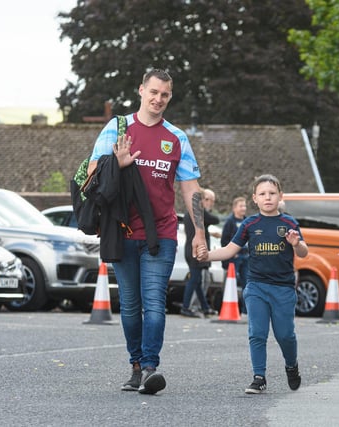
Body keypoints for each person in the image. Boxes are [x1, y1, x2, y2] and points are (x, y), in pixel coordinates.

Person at [87, 69, 206, 395]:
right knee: (129, 304)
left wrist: (199, 233)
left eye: (164, 95)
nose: (158, 99)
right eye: (153, 92)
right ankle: (136, 366)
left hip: (162, 233)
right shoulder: (118, 128)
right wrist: (119, 162)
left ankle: (151, 367)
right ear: (141, 90)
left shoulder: (176, 137)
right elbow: (92, 171)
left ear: (170, 96)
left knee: (154, 303)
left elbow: (191, 189)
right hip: (123, 233)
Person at [197, 174, 308, 394]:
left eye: (272, 193)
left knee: (285, 335)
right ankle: (259, 377)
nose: (268, 198)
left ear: (280, 196)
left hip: (283, 288)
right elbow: (230, 249)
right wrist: (206, 256)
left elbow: (304, 252)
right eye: (263, 194)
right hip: (256, 286)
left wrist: (296, 244)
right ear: (254, 199)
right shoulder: (250, 224)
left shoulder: (289, 223)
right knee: (257, 333)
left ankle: (291, 365)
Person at [181, 188, 219, 317]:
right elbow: (215, 220)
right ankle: (185, 307)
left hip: (190, 249)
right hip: (196, 249)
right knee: (194, 279)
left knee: (196, 281)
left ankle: (205, 307)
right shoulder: (199, 212)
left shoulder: (189, 212)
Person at [220, 196, 249, 314]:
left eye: (245, 206)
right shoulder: (230, 222)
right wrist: (231, 254)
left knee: (246, 282)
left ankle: (246, 310)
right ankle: (229, 308)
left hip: (246, 256)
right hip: (235, 257)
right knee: (231, 283)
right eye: (241, 206)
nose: (243, 208)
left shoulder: (247, 221)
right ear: (234, 208)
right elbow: (224, 240)